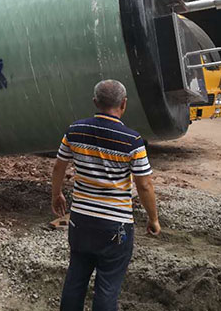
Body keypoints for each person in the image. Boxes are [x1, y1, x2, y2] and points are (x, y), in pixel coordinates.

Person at [52, 79, 160, 311]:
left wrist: (56, 194)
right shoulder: (132, 140)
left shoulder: (75, 130)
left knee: (76, 278)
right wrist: (153, 219)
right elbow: (144, 186)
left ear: (95, 102)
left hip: (80, 221)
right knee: (107, 287)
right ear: (124, 104)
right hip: (115, 227)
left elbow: (59, 166)